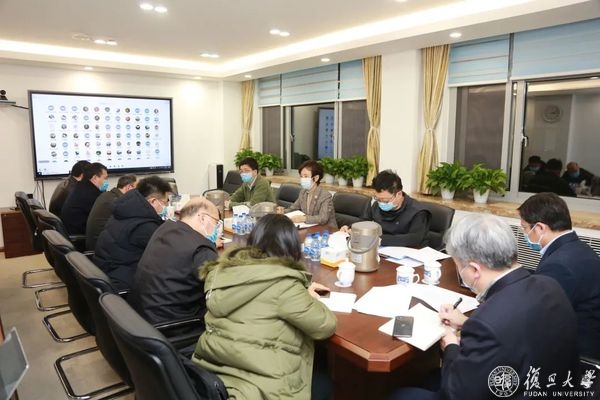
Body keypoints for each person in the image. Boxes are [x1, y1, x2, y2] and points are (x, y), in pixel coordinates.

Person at [389, 214, 579, 400]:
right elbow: (516, 331)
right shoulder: (549, 285)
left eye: (458, 266)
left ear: (474, 269)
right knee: (430, 378)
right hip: (554, 387)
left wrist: (451, 345)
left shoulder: (488, 321)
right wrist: (466, 322)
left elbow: (456, 394)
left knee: (399, 394)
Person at [192, 214, 337, 399]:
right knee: (325, 383)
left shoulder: (224, 273)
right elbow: (325, 325)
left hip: (214, 377)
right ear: (292, 247)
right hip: (261, 388)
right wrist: (305, 294)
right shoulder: (283, 284)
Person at [518, 192, 600, 359]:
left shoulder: (559, 266)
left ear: (540, 228)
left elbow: (536, 318)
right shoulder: (579, 248)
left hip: (575, 354)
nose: (525, 234)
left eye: (525, 228)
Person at [129, 197, 222, 338]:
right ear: (203, 218)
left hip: (141, 319)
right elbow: (221, 296)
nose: (217, 229)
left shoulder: (165, 229)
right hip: (172, 329)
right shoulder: (201, 250)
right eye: (216, 222)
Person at [94, 175, 171, 291]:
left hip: (109, 269)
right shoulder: (144, 227)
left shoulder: (127, 211)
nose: (166, 207)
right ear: (153, 201)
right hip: (124, 280)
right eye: (165, 203)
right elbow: (168, 253)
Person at [342, 170, 431, 247]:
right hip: (380, 250)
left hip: (408, 254)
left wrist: (377, 239)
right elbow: (364, 221)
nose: (381, 203)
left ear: (399, 194)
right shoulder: (376, 205)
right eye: (378, 199)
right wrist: (350, 228)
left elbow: (414, 239)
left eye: (385, 200)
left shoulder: (418, 211)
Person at [85, 174, 137, 251]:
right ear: (129, 187)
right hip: (101, 247)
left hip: (97, 242)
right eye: (137, 189)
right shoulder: (118, 202)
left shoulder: (107, 195)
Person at [285, 160, 337, 228]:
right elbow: (294, 208)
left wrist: (304, 218)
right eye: (301, 176)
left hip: (327, 230)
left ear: (316, 178)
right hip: (310, 227)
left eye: (306, 176)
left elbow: (323, 218)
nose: (302, 179)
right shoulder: (303, 192)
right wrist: (282, 212)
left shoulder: (325, 196)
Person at [61, 162, 108, 234]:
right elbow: (104, 216)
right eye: (105, 178)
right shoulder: (90, 194)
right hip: (80, 235)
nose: (106, 182)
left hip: (74, 230)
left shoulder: (81, 186)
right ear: (95, 178)